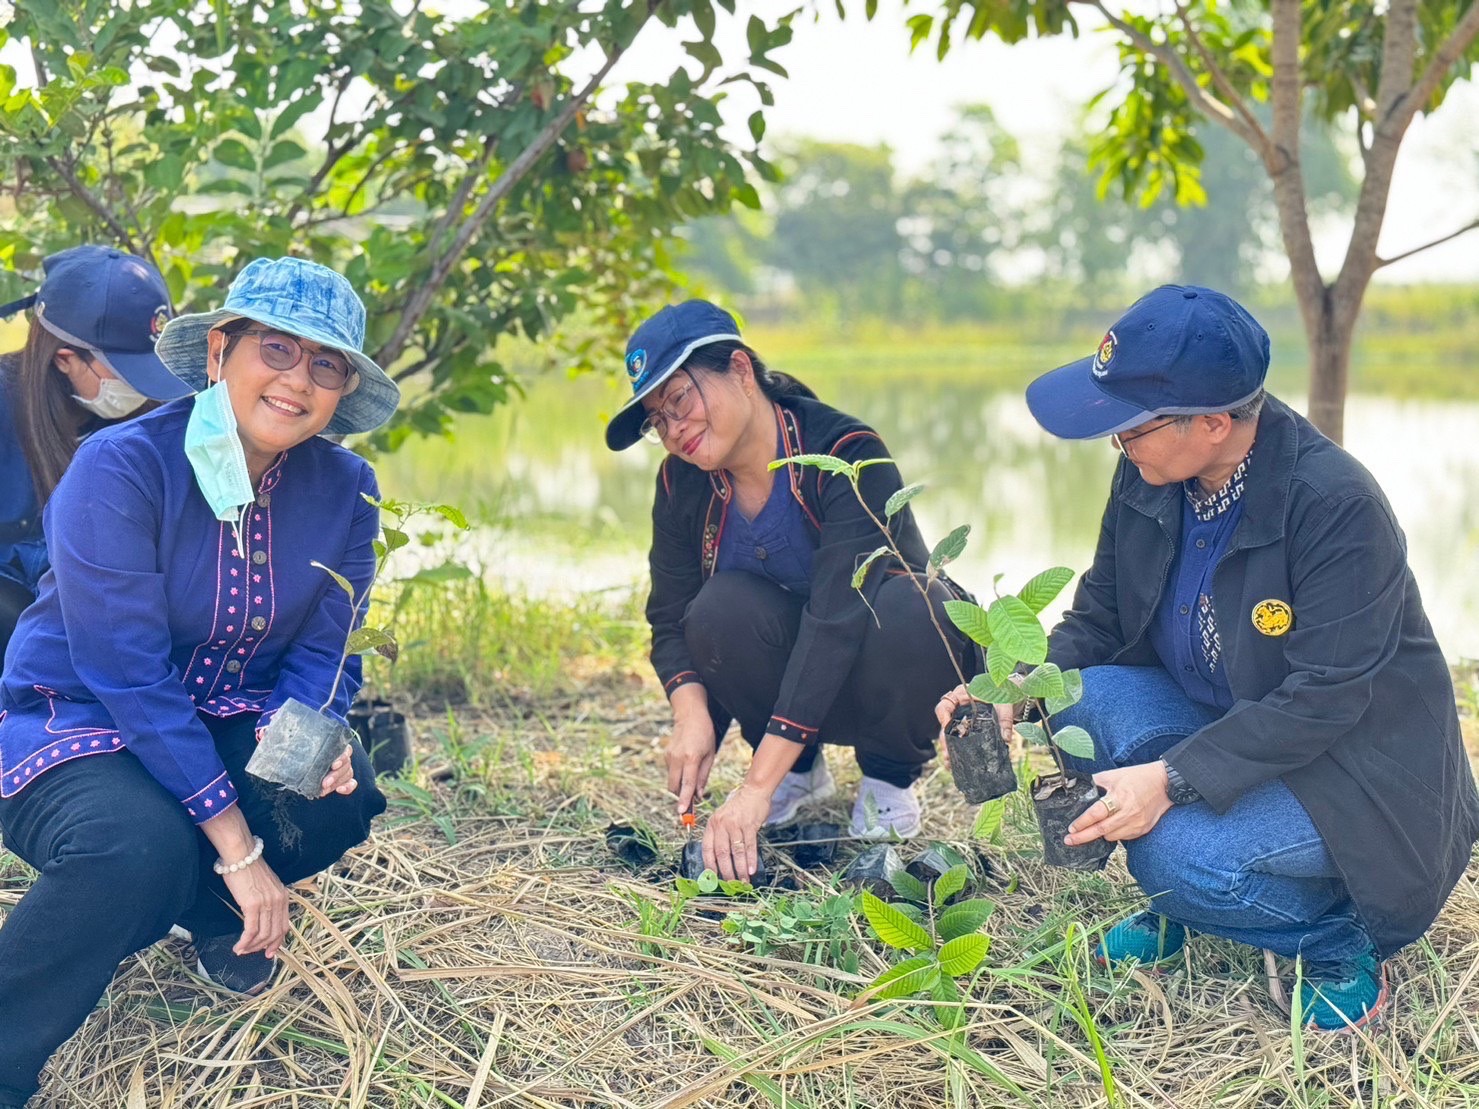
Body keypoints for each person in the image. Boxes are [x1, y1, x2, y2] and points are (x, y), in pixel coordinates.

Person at [941, 284, 1479, 1031]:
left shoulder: (1334, 505)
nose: (1117, 445)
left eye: (1130, 428)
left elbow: (1324, 698)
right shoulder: (1151, 472)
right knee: (1079, 695)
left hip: (1352, 768)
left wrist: (1171, 778)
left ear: (1215, 423)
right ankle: (1196, 912)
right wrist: (1011, 684)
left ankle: (1336, 938)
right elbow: (1099, 615)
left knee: (1176, 858)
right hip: (1233, 717)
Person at [0, 256, 403, 1107]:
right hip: (82, 720)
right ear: (221, 350)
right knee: (131, 848)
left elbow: (324, 651)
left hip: (226, 713)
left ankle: (210, 911)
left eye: (325, 366)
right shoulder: (120, 467)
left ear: (341, 393)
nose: (298, 381)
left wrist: (315, 731)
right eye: (278, 350)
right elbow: (125, 672)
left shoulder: (348, 488)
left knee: (334, 784)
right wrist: (239, 846)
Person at [606, 300, 974, 883]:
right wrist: (691, 714)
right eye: (658, 420)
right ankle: (798, 769)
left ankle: (887, 779)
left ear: (741, 371)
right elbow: (671, 617)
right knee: (716, 610)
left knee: (916, 605)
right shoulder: (681, 481)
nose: (674, 430)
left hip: (880, 676)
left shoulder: (848, 452)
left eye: (679, 400)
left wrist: (754, 786)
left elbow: (835, 622)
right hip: (784, 695)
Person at [0, 245, 191, 655]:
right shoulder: (5, 404)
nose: (142, 391)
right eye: (127, 374)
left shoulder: (157, 413)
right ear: (65, 358)